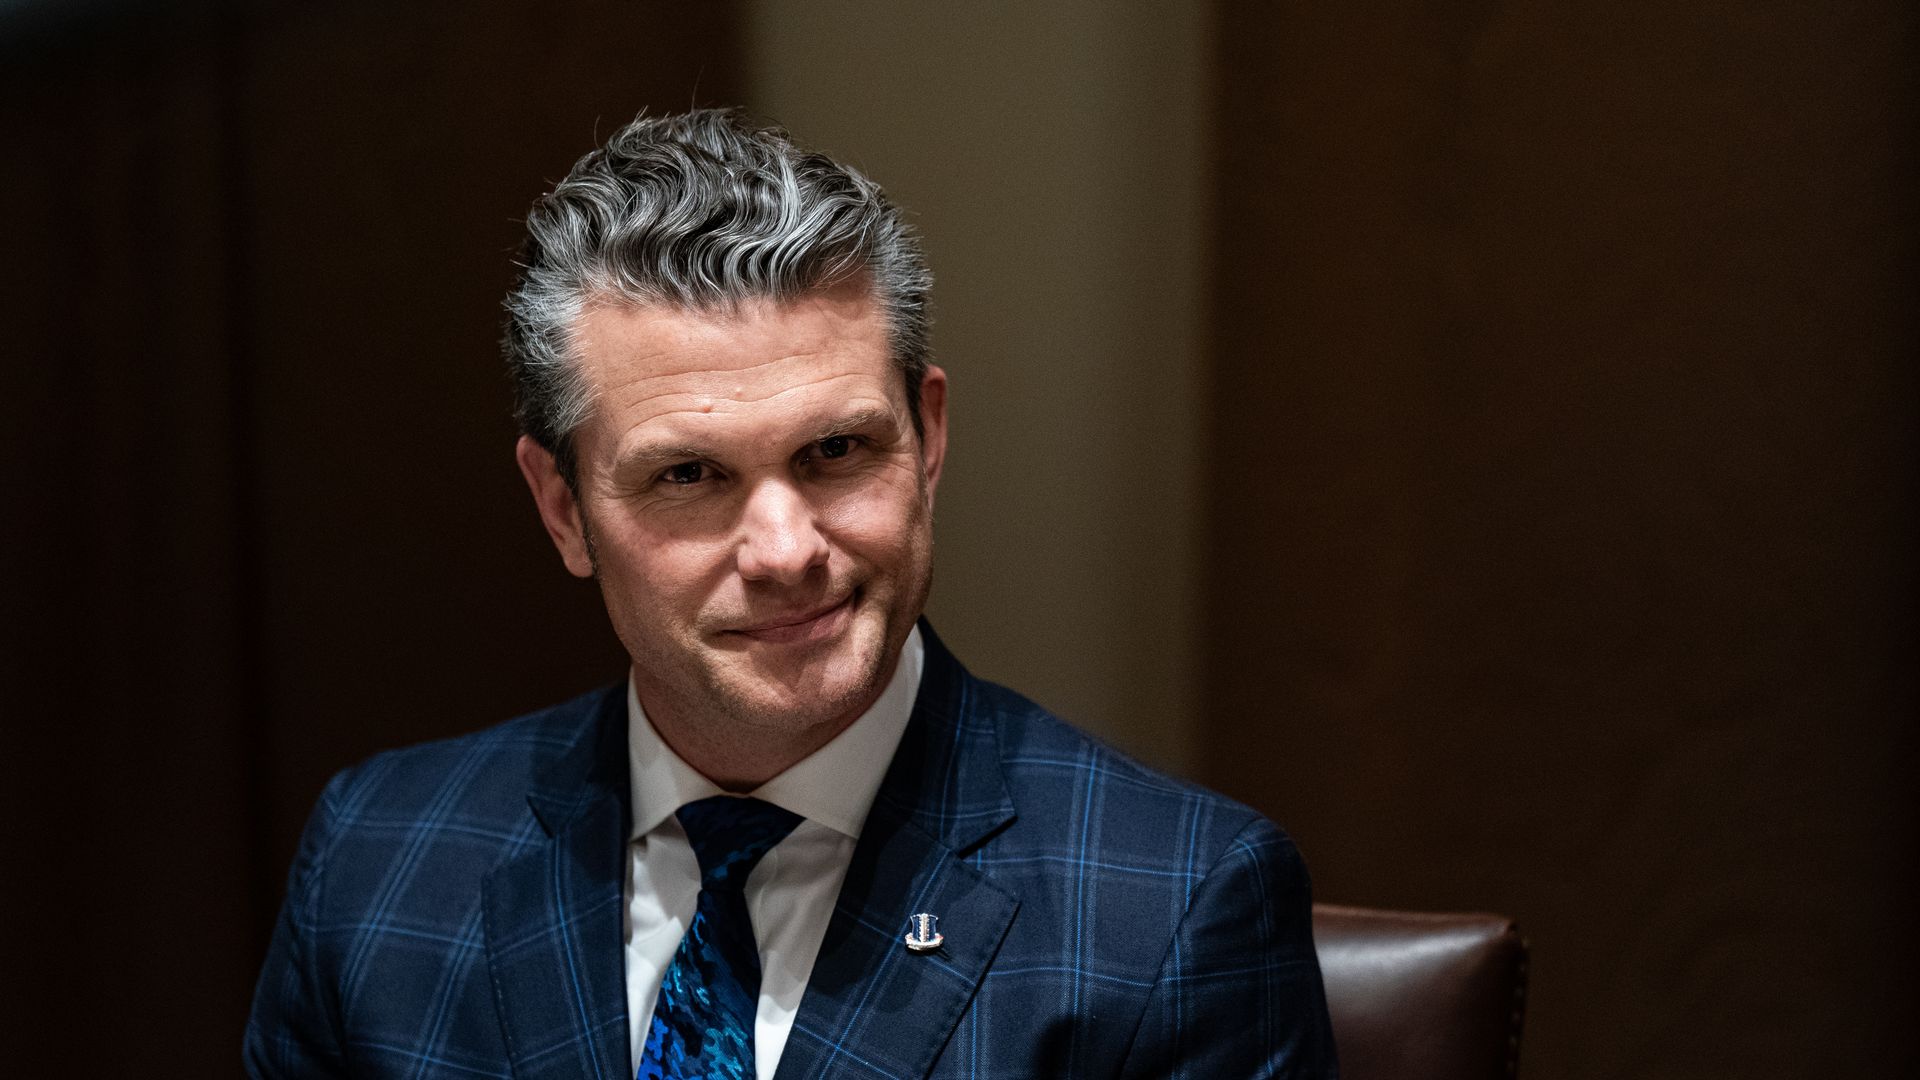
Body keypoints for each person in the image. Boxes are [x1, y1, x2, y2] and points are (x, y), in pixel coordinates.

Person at [245, 108, 1337, 1079]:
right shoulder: (378, 860)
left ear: (929, 439)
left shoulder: (1173, 906)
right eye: (689, 475)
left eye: (836, 451)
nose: (784, 550)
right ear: (564, 509)